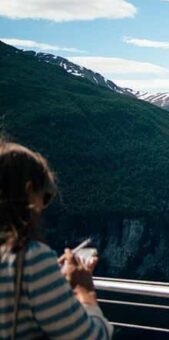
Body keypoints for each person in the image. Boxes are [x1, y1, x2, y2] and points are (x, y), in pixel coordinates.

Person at [0, 142, 112, 339]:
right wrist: (84, 291)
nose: (43, 208)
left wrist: (53, 281)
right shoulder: (30, 258)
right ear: (29, 190)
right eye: (45, 197)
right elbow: (92, 336)